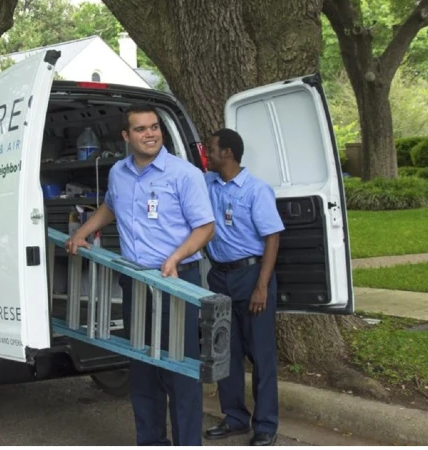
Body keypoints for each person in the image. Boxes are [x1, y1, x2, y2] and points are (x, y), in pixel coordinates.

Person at [65, 103, 215, 446]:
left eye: (154, 127)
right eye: (141, 129)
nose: (150, 134)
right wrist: (81, 233)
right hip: (135, 281)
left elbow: (206, 228)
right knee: (143, 369)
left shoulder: (183, 174)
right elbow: (110, 206)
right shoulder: (119, 172)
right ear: (126, 136)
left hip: (176, 282)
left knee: (179, 369)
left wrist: (176, 257)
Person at [201, 128, 284, 447]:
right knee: (225, 350)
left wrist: (261, 287)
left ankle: (265, 425)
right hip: (219, 277)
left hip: (251, 276)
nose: (206, 155)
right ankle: (235, 417)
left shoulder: (255, 190)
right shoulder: (207, 183)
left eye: (210, 150)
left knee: (261, 354)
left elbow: (272, 238)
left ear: (228, 154)